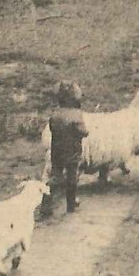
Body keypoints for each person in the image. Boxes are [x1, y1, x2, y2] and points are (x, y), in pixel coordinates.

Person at [41, 81, 87, 216]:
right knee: (72, 178)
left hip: (57, 151)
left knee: (55, 176)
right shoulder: (77, 115)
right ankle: (71, 205)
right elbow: (83, 131)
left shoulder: (55, 114)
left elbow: (51, 128)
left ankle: (46, 203)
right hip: (72, 152)